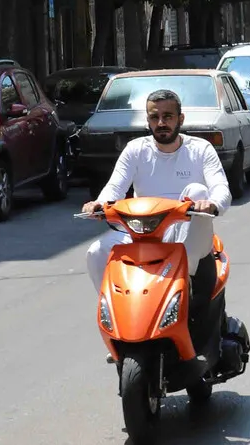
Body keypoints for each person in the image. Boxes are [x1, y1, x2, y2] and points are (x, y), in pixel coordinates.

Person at [82, 86, 230, 296]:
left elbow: (221, 188)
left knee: (197, 190)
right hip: (140, 232)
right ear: (148, 121)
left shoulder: (201, 149)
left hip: (186, 233)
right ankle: (115, 310)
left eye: (167, 116)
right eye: (154, 117)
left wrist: (212, 203)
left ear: (180, 119)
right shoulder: (136, 149)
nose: (161, 123)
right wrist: (100, 204)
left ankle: (185, 286)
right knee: (96, 252)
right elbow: (115, 187)